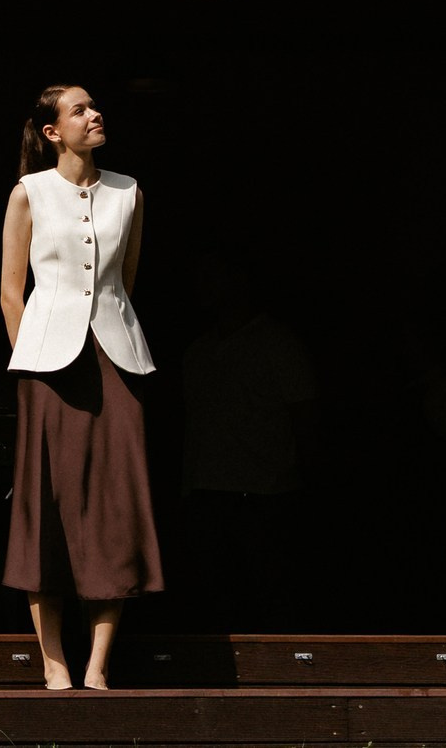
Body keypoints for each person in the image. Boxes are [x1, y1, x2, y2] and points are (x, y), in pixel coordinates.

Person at [0, 85, 163, 690]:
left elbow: (125, 280)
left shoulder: (129, 191)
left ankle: (98, 664)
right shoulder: (30, 193)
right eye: (79, 110)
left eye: (95, 106)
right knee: (46, 503)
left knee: (115, 504)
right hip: (49, 365)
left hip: (117, 358)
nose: (94, 115)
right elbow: (10, 291)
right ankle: (53, 661)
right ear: (51, 132)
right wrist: (32, 357)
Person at [177, 256, 316, 630]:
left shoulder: (277, 344)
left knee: (272, 598)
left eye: (214, 274)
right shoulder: (198, 352)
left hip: (265, 495)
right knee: (217, 602)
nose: (204, 285)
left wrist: (306, 483)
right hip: (205, 492)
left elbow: (305, 419)